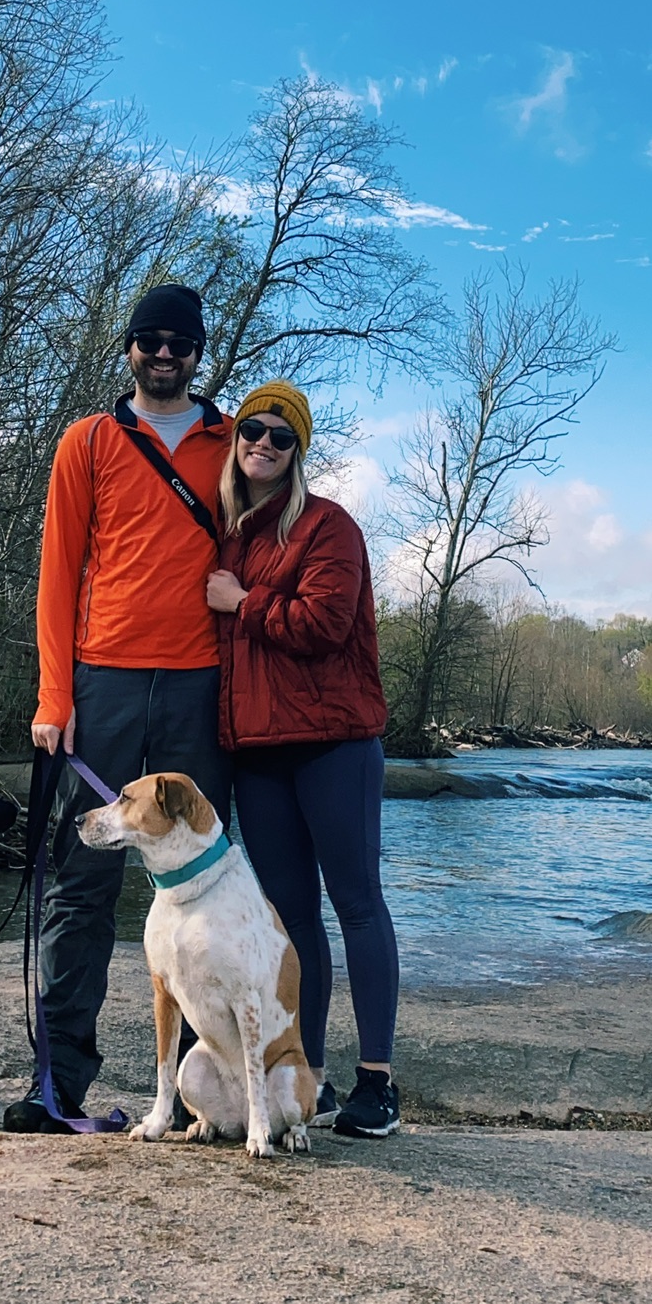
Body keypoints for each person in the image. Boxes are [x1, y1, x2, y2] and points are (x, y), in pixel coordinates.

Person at [4, 282, 233, 1132]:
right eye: (150, 339)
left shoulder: (232, 441)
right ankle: (57, 1083)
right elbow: (59, 572)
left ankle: (202, 1094)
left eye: (179, 341)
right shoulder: (87, 442)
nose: (164, 353)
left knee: (200, 891)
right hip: (100, 685)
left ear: (197, 351)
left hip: (199, 688)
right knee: (82, 885)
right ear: (128, 348)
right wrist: (52, 695)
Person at [205, 381, 401, 1139]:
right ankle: (306, 1077)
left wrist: (241, 602)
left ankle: (377, 1086)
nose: (262, 443)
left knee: (356, 903)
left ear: (298, 451)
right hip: (257, 755)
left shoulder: (328, 526)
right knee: (290, 922)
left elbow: (323, 624)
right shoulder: (226, 533)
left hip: (334, 747)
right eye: (251, 430)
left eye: (280, 436)